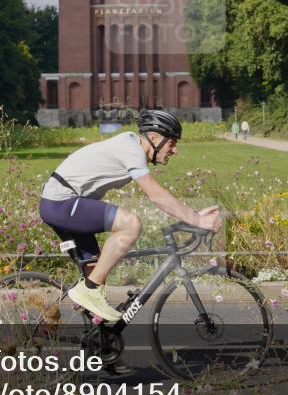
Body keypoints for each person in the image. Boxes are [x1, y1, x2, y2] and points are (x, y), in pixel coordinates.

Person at [39, 109, 222, 322]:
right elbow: (155, 194)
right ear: (154, 138)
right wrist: (196, 219)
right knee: (130, 224)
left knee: (95, 272)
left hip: (61, 203)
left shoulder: (129, 145)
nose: (175, 150)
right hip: (62, 202)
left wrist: (191, 215)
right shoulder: (132, 150)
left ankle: (98, 340)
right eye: (172, 143)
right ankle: (88, 292)